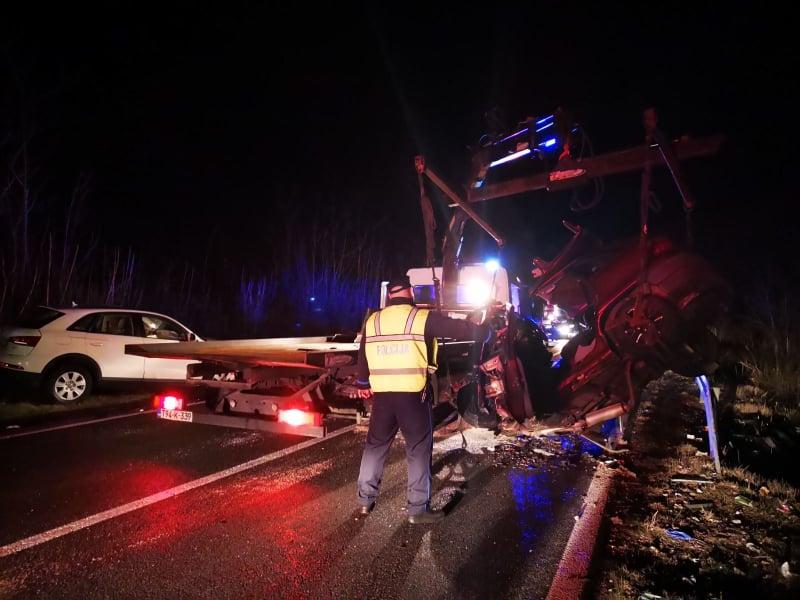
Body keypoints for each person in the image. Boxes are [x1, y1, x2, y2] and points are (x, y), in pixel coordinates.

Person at [355, 275, 489, 524]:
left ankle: (365, 501)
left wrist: (363, 382)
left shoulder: (373, 320)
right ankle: (417, 509)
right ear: (410, 292)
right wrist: (483, 329)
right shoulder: (420, 317)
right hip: (412, 396)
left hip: (382, 396)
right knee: (417, 450)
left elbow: (363, 351)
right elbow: (460, 329)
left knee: (375, 447)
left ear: (390, 295)